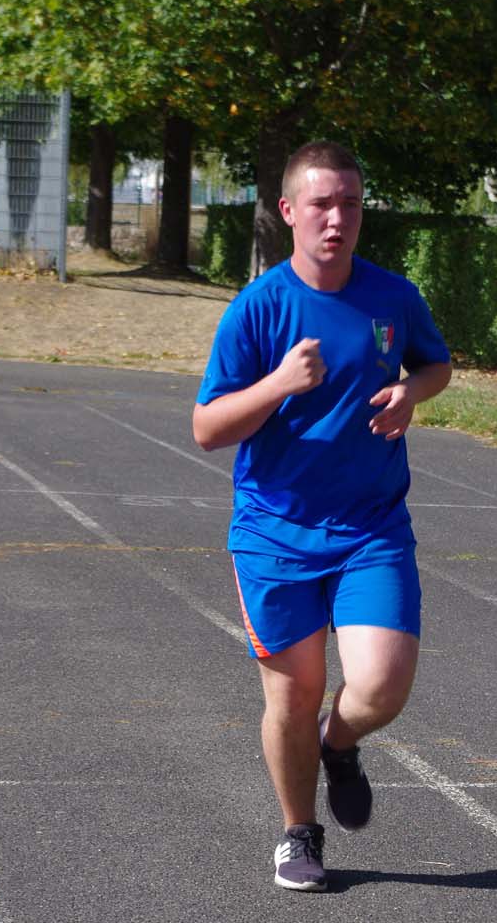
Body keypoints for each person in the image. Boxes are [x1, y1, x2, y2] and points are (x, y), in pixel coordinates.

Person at [193, 140, 452, 892]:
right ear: (288, 212)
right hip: (275, 535)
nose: (336, 219)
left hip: (370, 529)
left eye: (349, 204)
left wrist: (413, 392)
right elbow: (207, 429)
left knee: (379, 686)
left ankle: (339, 745)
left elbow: (434, 364)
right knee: (292, 694)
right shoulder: (258, 307)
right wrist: (277, 382)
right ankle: (296, 833)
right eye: (320, 204)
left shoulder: (392, 297)